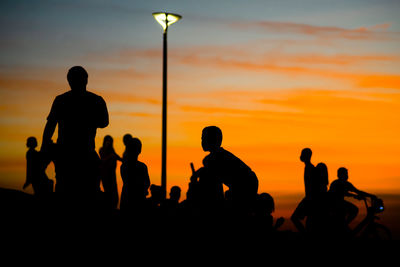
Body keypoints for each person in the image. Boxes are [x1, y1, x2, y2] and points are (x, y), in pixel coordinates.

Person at [40, 66, 109, 205]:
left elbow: (50, 126)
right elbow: (104, 122)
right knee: (81, 191)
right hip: (74, 153)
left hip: (77, 153)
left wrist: (45, 146)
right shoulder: (95, 100)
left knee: (71, 190)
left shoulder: (62, 100)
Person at [191, 126, 258, 216]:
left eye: (204, 138)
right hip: (246, 186)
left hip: (245, 187)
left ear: (213, 140)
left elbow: (212, 182)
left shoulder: (212, 159)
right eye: (202, 138)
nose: (202, 141)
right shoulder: (216, 157)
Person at [120, 137, 150, 215]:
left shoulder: (123, 166)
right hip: (138, 201)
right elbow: (147, 183)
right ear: (139, 151)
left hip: (126, 200)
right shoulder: (142, 166)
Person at [291, 148, 318, 234]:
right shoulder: (308, 167)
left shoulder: (310, 168)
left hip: (310, 199)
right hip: (309, 198)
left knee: (295, 218)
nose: (300, 156)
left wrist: (311, 199)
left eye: (302, 154)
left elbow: (313, 186)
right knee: (309, 221)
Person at [99, 135, 122, 210]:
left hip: (112, 175)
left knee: (114, 194)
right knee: (108, 192)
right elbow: (102, 160)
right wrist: (110, 157)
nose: (108, 142)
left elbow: (120, 159)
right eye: (107, 141)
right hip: (105, 175)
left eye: (110, 141)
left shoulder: (112, 151)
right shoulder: (102, 149)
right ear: (104, 141)